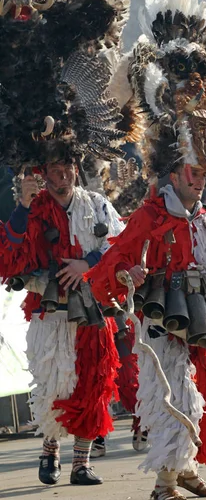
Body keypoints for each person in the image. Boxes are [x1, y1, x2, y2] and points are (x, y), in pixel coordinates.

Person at [86, 0, 206, 500]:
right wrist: (129, 276)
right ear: (173, 170)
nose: (200, 179)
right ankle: (166, 480)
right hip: (164, 309)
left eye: (205, 172)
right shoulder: (150, 214)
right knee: (173, 391)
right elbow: (117, 261)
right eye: (194, 172)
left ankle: (186, 469)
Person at [0, 159, 124, 485]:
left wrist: (87, 262)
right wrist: (23, 206)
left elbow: (117, 243)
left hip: (93, 312)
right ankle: (50, 449)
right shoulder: (32, 209)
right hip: (50, 313)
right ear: (42, 173)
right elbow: (8, 257)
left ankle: (81, 463)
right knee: (53, 385)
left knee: (94, 384)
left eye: (67, 167)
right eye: (54, 169)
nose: (63, 175)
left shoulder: (96, 204)